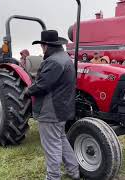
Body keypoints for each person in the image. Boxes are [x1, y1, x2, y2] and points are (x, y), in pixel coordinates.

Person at [27, 30, 80, 180]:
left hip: (50, 111)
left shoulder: (52, 62)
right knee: (61, 140)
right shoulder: (64, 58)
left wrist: (27, 90)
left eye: (42, 46)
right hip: (62, 108)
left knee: (51, 146)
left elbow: (42, 85)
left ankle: (53, 177)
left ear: (45, 46)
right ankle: (73, 171)